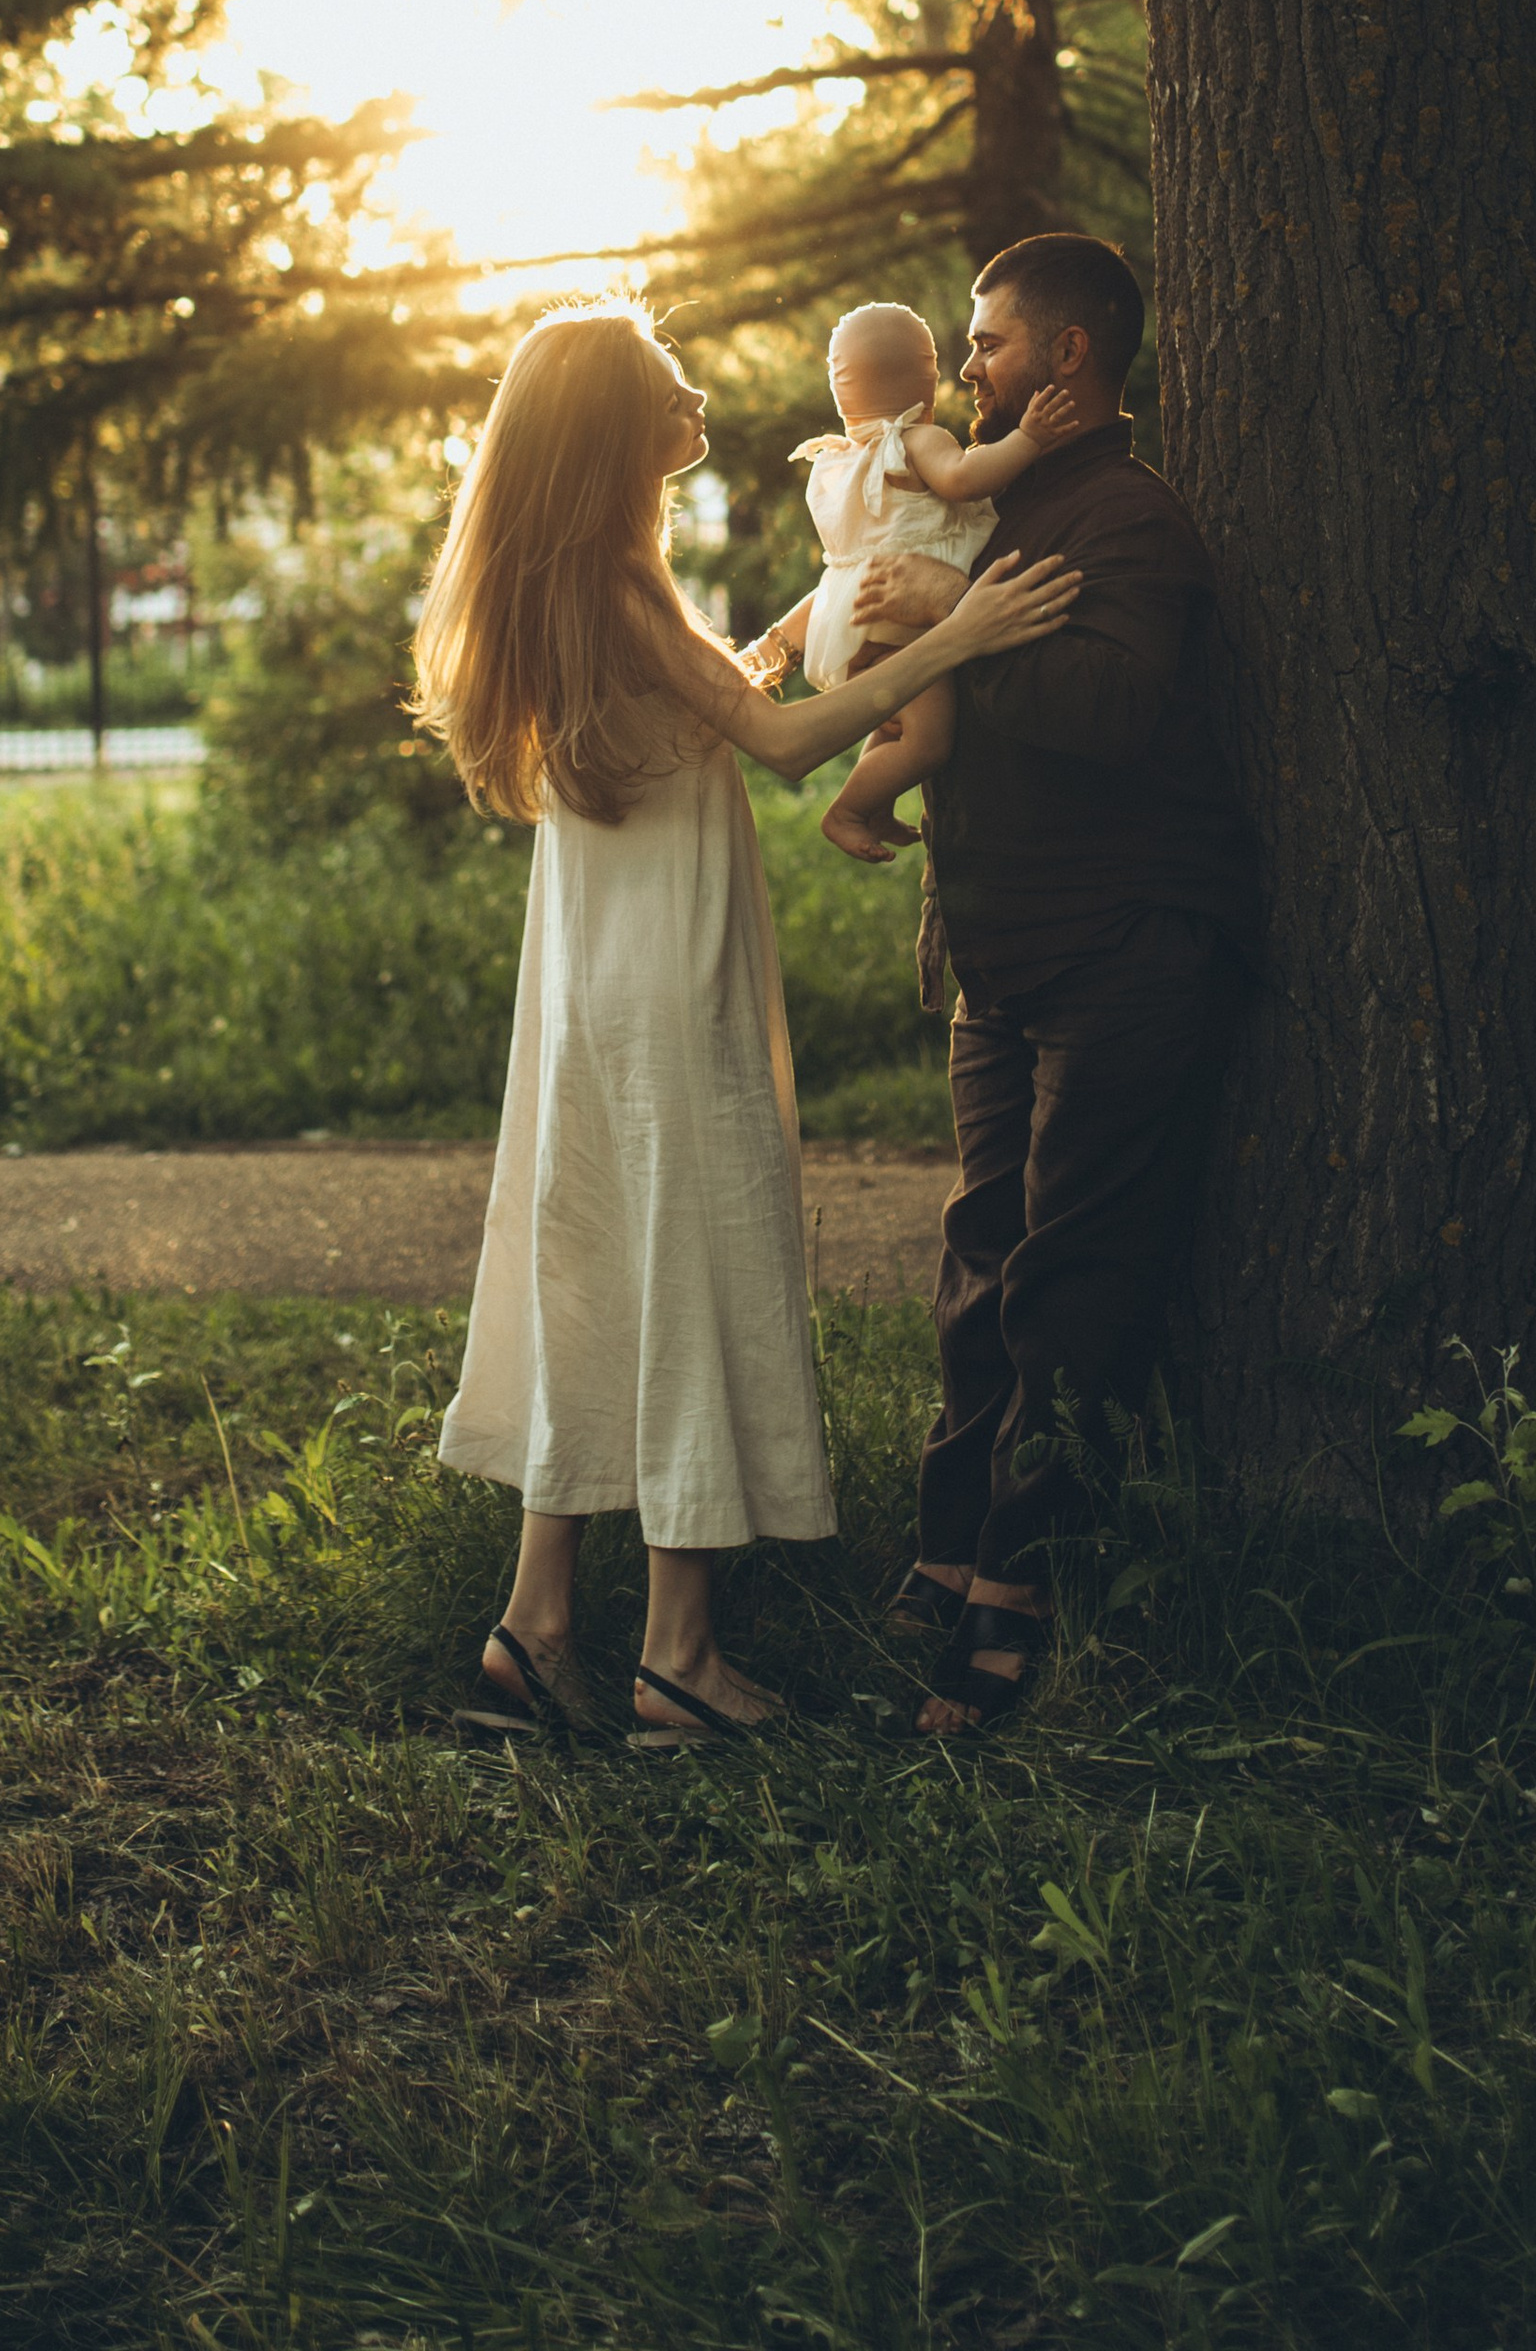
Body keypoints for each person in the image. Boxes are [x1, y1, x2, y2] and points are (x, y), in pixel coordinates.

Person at [411, 300, 1080, 1750]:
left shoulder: (573, 579)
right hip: (665, 972)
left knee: (595, 1265)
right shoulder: (617, 580)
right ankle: (679, 1661)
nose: (699, 395)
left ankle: (533, 1633)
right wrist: (957, 636)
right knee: (696, 1257)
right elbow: (777, 745)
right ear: (610, 430)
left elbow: (719, 695)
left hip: (591, 973)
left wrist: (794, 628)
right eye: (668, 387)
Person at [823, 235, 1258, 1738]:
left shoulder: (1125, 517)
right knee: (979, 1263)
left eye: (989, 340)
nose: (966, 365)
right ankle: (948, 1551)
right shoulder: (999, 500)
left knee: (1072, 1276)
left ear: (1067, 355)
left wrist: (942, 640)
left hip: (1124, 947)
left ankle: (1021, 1590)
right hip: (1001, 955)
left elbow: (1115, 708)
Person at [751, 299, 1076, 865]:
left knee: (894, 719)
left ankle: (875, 807)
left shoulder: (840, 462)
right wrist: (1028, 438)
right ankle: (849, 809)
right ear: (923, 377)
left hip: (857, 624)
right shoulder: (915, 439)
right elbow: (963, 479)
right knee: (929, 740)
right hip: (904, 626)